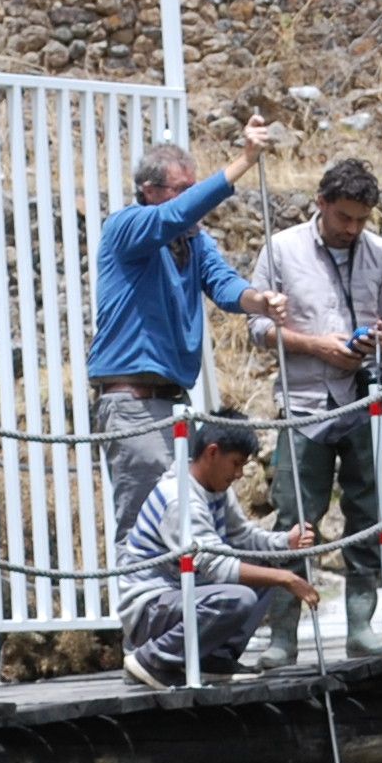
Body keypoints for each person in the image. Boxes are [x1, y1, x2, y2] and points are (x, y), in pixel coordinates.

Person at [87, 119, 292, 552]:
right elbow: (175, 215)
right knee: (144, 523)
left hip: (173, 403)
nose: (191, 201)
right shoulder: (128, 226)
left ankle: (180, 617)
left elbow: (225, 286)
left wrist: (260, 301)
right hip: (132, 405)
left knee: (182, 520)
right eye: (181, 189)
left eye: (192, 187)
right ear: (149, 190)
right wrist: (244, 161)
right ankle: (141, 617)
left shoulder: (195, 242)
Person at [246, 156, 382, 660]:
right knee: (295, 521)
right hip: (303, 406)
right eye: (345, 217)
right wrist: (316, 346)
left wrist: (381, 339)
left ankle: (361, 626)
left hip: (365, 401)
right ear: (321, 203)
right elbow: (258, 329)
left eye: (363, 219)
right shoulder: (281, 250)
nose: (353, 228)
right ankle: (283, 637)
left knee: (367, 514)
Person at [115, 410, 317, 689]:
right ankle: (153, 660)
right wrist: (288, 579)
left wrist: (284, 542)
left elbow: (242, 535)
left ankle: (215, 658)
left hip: (183, 598)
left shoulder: (215, 489)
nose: (238, 474)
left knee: (266, 568)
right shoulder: (180, 498)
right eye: (235, 464)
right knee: (239, 596)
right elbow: (218, 567)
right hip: (150, 611)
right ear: (212, 453)